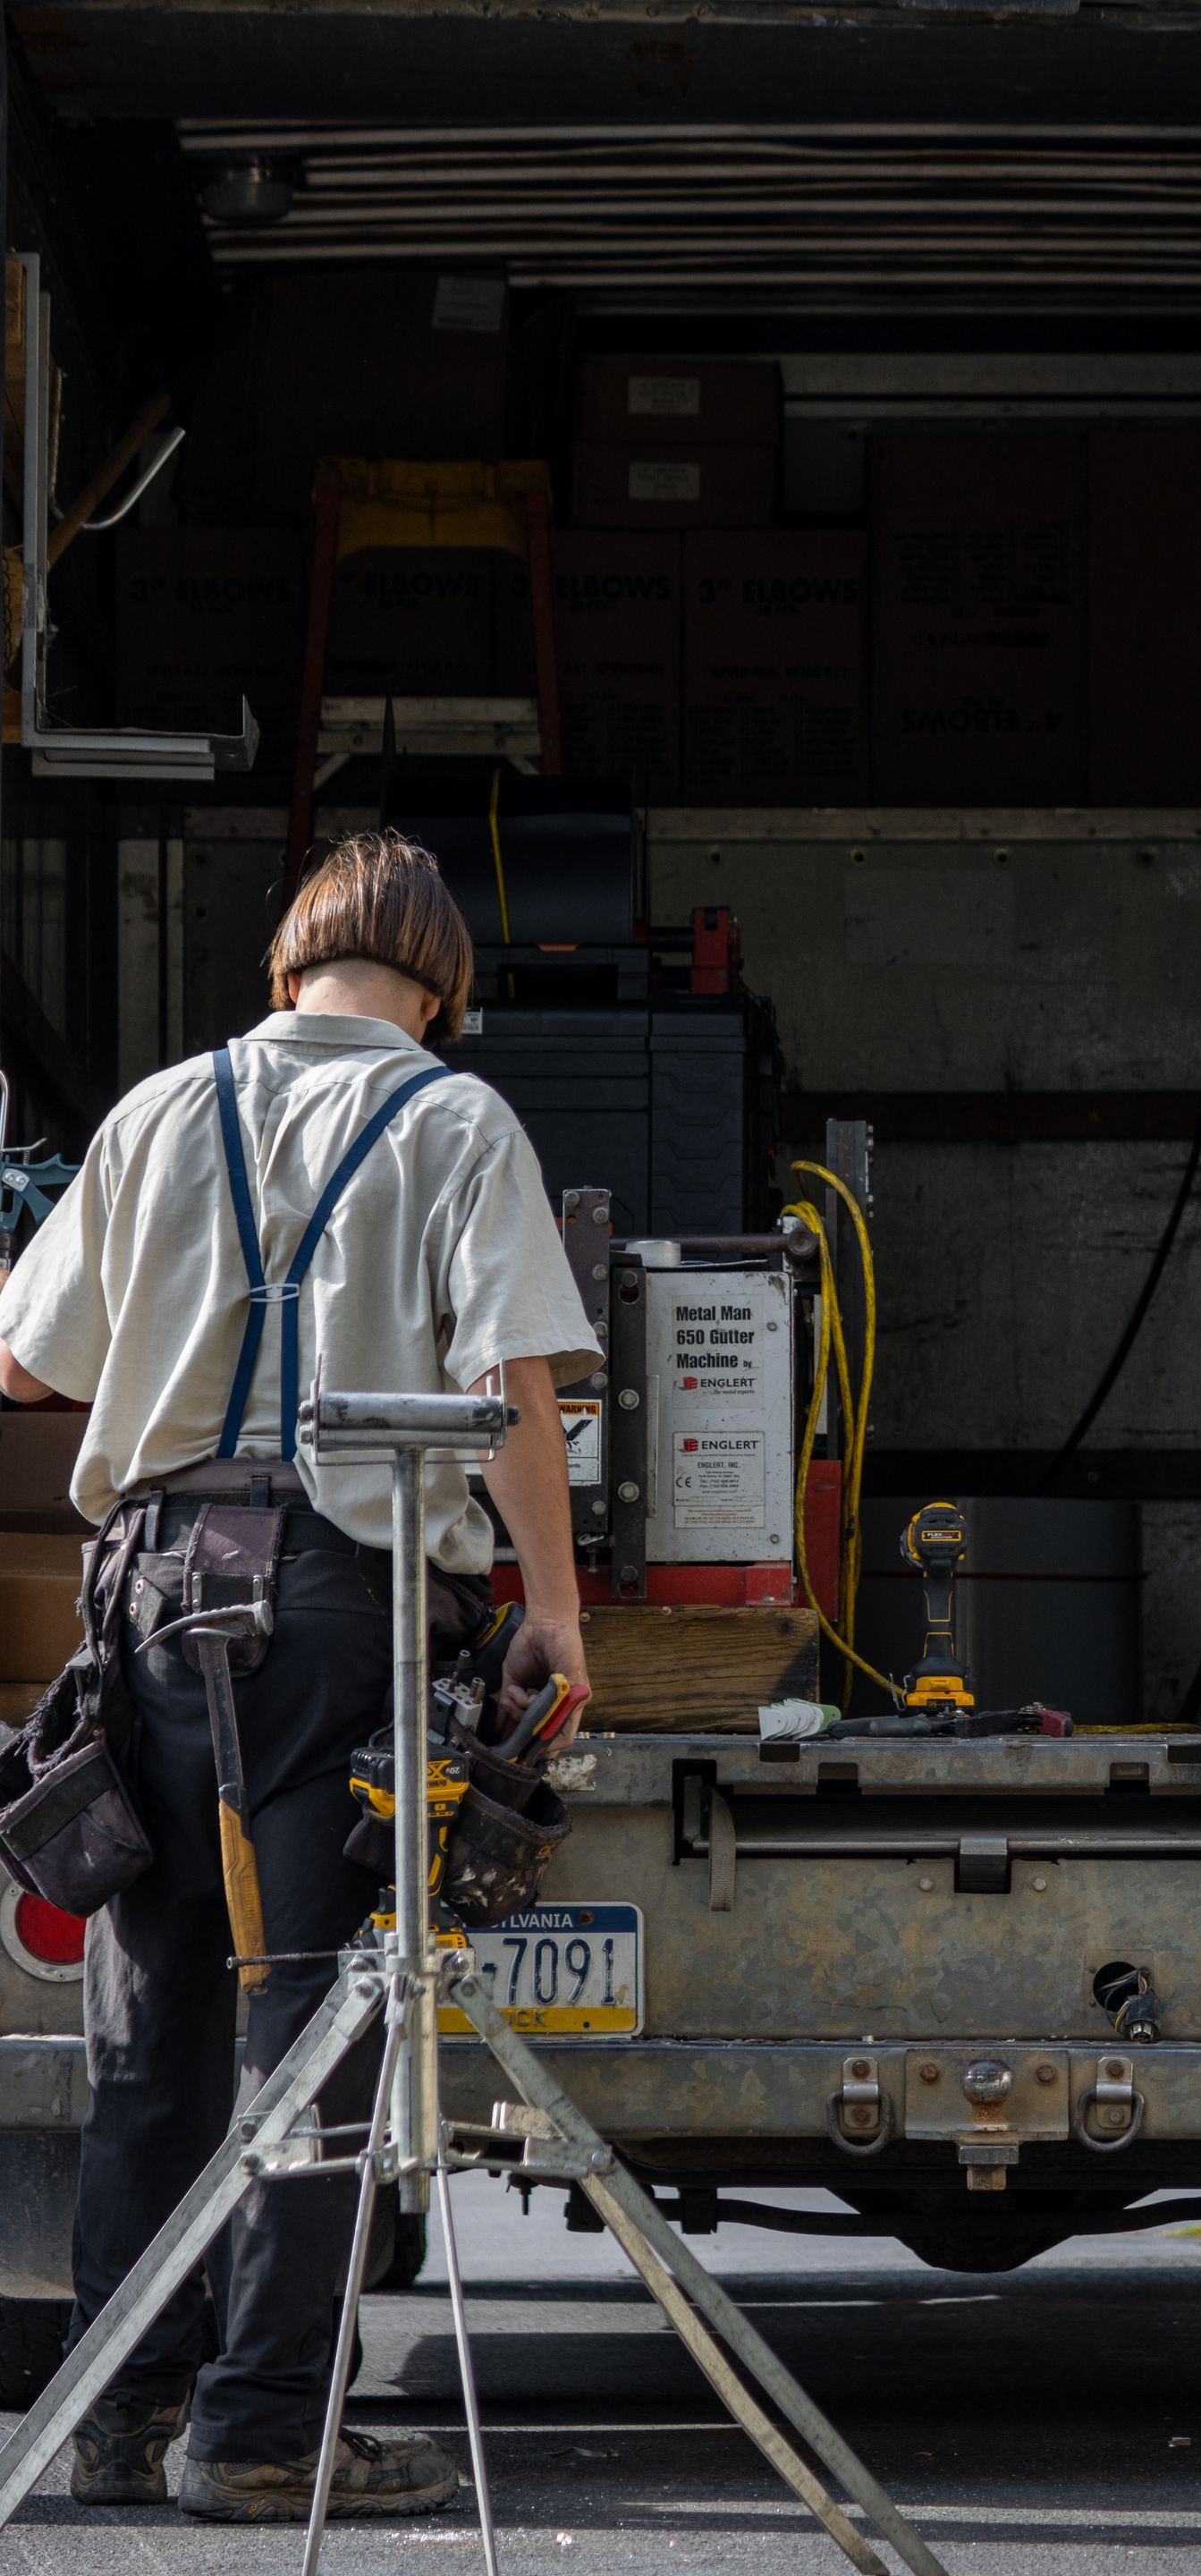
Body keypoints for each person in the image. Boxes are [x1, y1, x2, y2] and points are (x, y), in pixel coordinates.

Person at [0, 830, 599, 2523]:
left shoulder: (157, 1110)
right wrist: (552, 1606)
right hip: (338, 1599)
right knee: (314, 2020)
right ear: (443, 987)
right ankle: (262, 2431)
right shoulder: (454, 1119)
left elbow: (29, 1369)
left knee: (153, 2015)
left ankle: (118, 2413)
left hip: (144, 1598)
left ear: (287, 963)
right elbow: (516, 1389)